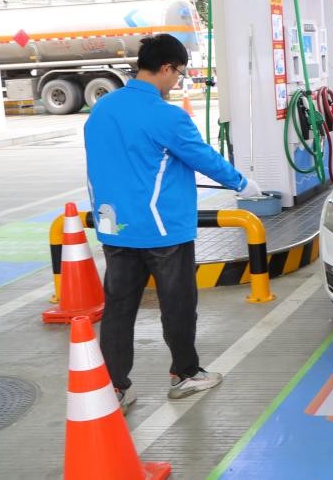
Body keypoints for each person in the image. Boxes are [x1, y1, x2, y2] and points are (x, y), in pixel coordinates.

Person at [84, 34, 260, 412]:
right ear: (166, 68)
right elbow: (203, 158)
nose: (177, 80)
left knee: (118, 308)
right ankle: (185, 374)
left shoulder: (103, 108)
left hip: (115, 228)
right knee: (177, 304)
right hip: (163, 230)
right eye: (178, 73)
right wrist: (243, 183)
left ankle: (115, 387)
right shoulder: (166, 115)